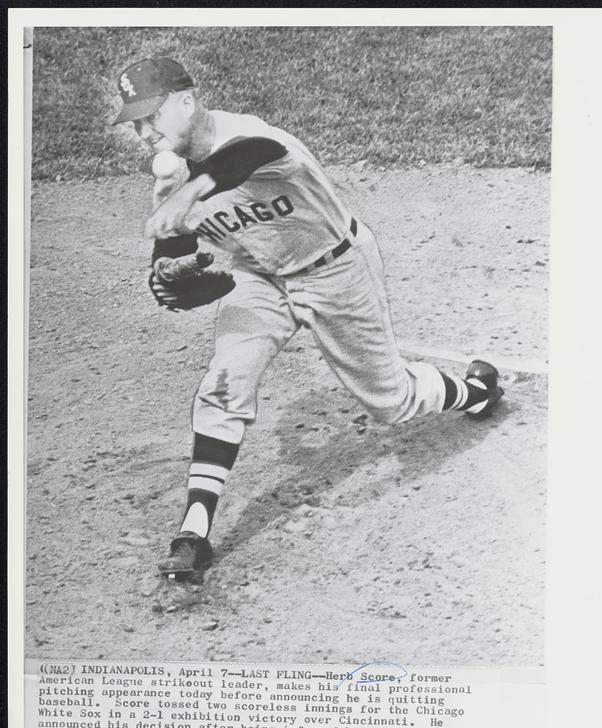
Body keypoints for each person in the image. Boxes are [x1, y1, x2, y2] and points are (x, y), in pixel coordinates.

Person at [112, 56, 504, 579]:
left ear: (187, 100)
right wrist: (167, 274)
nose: (143, 132)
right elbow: (174, 242)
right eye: (135, 122)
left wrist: (191, 188)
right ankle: (194, 531)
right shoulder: (172, 171)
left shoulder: (250, 138)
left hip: (335, 270)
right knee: (224, 382)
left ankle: (477, 390)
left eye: (151, 116)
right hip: (258, 277)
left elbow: (248, 158)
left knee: (392, 401)